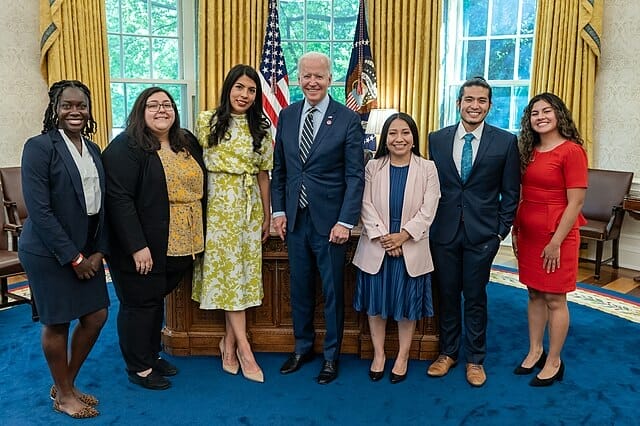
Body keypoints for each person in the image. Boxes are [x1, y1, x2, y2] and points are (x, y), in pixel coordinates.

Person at [102, 87, 206, 390]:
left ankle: (151, 353)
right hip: (142, 244)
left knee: (153, 300)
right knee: (138, 303)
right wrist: (137, 247)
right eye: (153, 105)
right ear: (140, 111)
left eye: (167, 104)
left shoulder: (185, 141)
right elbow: (118, 199)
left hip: (182, 241)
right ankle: (139, 366)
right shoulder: (127, 146)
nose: (161, 110)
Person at [271, 51, 365, 384]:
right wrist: (278, 210)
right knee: (299, 288)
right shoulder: (287, 115)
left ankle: (331, 356)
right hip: (295, 219)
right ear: (299, 79)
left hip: (331, 224)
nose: (312, 82)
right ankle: (303, 347)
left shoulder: (347, 119)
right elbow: (280, 169)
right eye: (306, 76)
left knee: (332, 291)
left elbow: (356, 175)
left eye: (319, 76)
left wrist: (345, 221)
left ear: (330, 79)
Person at [18, 80, 109, 419]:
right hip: (47, 251)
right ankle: (66, 395)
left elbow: (102, 205)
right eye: (67, 105)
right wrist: (73, 257)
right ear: (54, 109)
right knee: (57, 323)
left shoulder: (94, 149)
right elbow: (39, 211)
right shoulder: (40, 147)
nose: (75, 111)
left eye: (81, 105)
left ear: (88, 110)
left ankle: (66, 383)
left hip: (88, 250)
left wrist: (99, 250)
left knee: (97, 315)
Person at [427, 76, 520, 387]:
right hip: (443, 231)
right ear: (459, 103)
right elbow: (430, 186)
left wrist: (499, 232)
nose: (474, 106)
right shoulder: (436, 139)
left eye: (481, 101)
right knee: (447, 294)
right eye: (469, 100)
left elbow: (510, 192)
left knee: (476, 297)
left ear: (489, 106)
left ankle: (475, 359)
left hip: (483, 235)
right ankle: (448, 353)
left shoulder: (505, 142)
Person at [192, 64, 272, 383]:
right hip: (217, 206)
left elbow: (264, 174)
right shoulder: (206, 120)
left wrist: (266, 214)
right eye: (239, 87)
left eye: (251, 90)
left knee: (240, 276)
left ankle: (228, 343)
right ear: (229, 88)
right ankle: (244, 348)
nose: (244, 95)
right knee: (227, 275)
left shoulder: (262, 128)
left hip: (249, 205)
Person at [352, 113, 440, 384]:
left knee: (407, 307)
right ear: (385, 138)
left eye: (405, 132)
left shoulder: (428, 168)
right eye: (392, 133)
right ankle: (379, 354)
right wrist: (384, 237)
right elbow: (364, 204)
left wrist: (403, 237)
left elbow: (429, 208)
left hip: (410, 248)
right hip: (377, 246)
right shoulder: (372, 167)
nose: (399, 138)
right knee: (375, 306)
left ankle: (402, 356)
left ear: (414, 137)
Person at [512, 92, 588, 386]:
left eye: (547, 111)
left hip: (558, 235)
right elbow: (522, 194)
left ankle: (554, 360)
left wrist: (556, 241)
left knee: (555, 298)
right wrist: (517, 230)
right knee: (533, 293)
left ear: (559, 115)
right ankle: (535, 350)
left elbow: (576, 203)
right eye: (534, 113)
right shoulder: (528, 150)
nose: (540, 117)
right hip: (529, 232)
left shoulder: (572, 151)